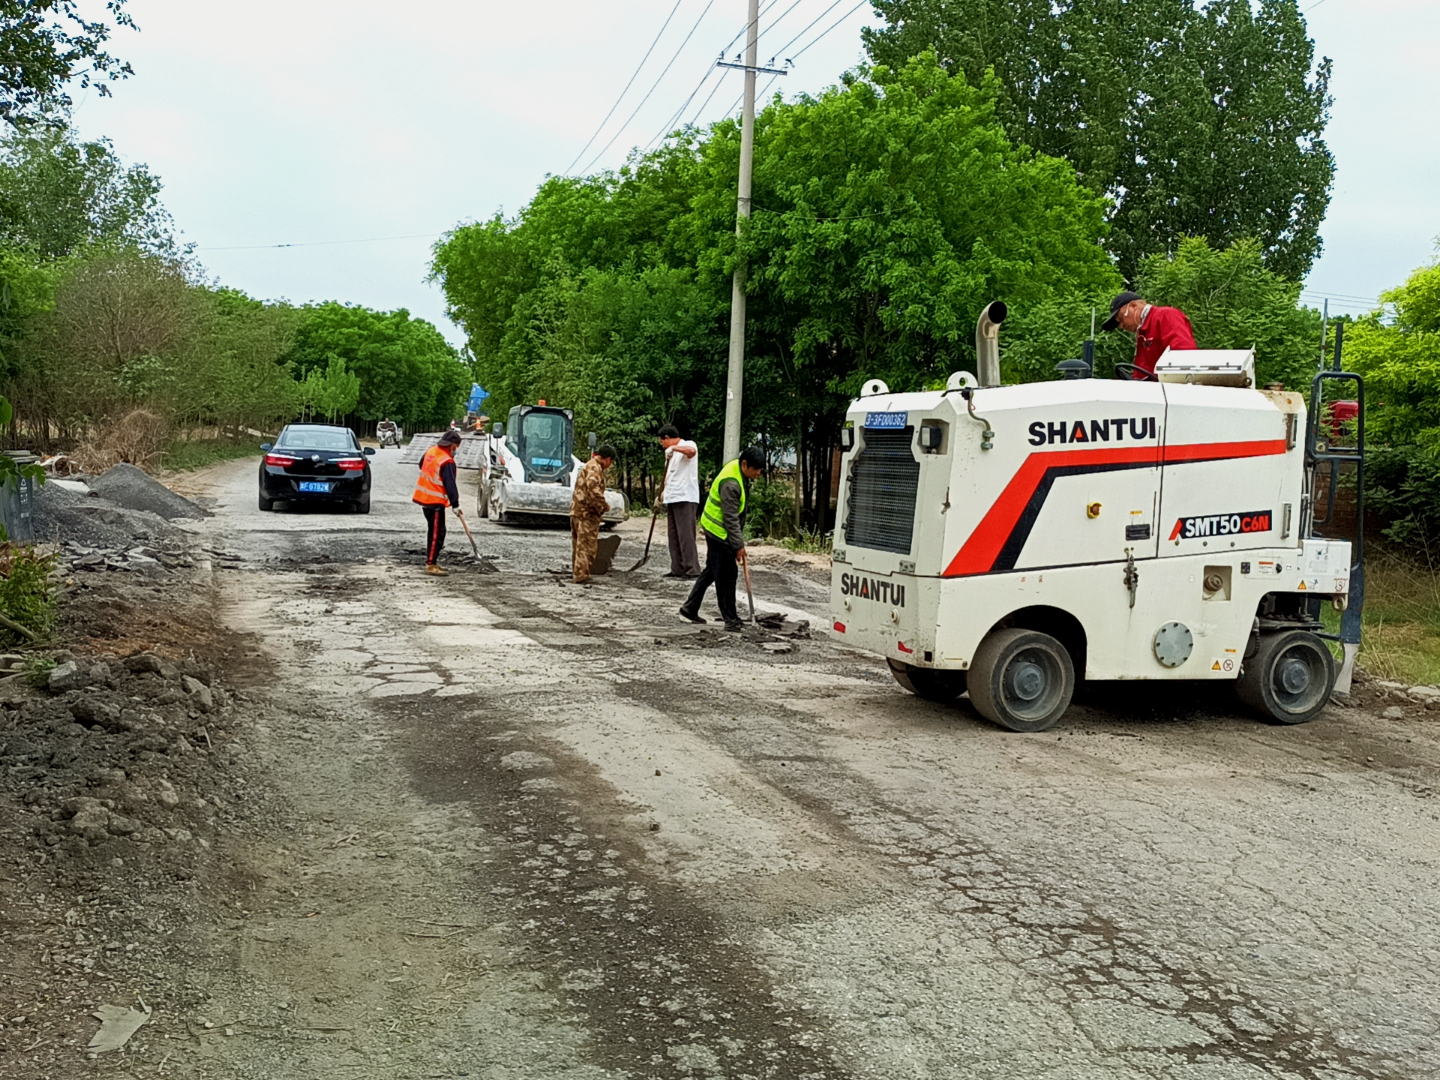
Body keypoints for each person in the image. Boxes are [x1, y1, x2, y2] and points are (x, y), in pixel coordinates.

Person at [680, 446, 764, 632]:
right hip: (718, 532)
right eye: (756, 469)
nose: (758, 473)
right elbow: (730, 518)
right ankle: (731, 619)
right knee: (727, 576)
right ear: (745, 464)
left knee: (711, 570)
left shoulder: (738, 470)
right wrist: (738, 546)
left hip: (716, 528)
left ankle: (690, 607)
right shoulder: (731, 483)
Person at [1102, 290, 1197, 377]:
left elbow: (1183, 357)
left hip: (1167, 391)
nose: (1121, 326)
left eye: (1121, 318)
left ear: (1133, 306)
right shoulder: (1142, 333)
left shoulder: (1166, 316)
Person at [413, 430, 463, 576]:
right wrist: (455, 504)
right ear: (452, 445)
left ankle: (433, 561)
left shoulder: (431, 451)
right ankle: (430, 564)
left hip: (426, 498)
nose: (456, 450)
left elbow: (421, 464)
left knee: (438, 532)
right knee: (436, 534)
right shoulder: (446, 461)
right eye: (457, 447)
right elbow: (450, 484)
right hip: (434, 501)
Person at [657, 424, 700, 578]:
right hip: (672, 497)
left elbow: (691, 452)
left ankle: (692, 568)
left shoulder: (687, 444)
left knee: (685, 535)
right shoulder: (670, 455)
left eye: (663, 442)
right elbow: (670, 476)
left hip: (685, 496)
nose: (663, 446)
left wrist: (674, 448)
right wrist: (662, 493)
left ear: (667, 438)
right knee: (674, 535)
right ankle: (677, 568)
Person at [570, 443, 616, 583]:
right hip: (587, 514)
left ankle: (578, 571)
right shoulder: (595, 468)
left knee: (578, 545)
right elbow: (592, 487)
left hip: (577, 510)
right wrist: (603, 506)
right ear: (608, 459)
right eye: (611, 462)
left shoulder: (588, 465)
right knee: (586, 546)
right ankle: (581, 576)